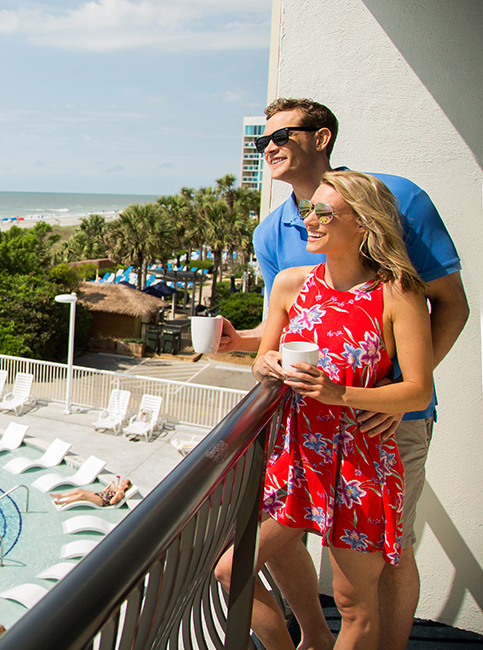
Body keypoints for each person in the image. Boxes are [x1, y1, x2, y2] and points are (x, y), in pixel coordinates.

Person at [217, 98, 468, 650]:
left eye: (282, 135)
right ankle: (310, 638)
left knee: (381, 567)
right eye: (263, 141)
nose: (271, 148)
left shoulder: (398, 204)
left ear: (322, 137)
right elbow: (282, 336)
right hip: (301, 443)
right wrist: (250, 350)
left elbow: (450, 306)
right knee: (246, 562)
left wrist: (384, 400)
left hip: (373, 437)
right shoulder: (276, 240)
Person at [51, 478, 132, 508]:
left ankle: (62, 502)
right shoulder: (116, 487)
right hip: (99, 495)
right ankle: (60, 495)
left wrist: (117, 493)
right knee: (78, 490)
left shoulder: (121, 493)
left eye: (125, 481)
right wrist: (108, 487)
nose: (123, 481)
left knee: (82, 495)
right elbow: (104, 492)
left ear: (126, 486)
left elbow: (112, 502)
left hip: (102, 501)